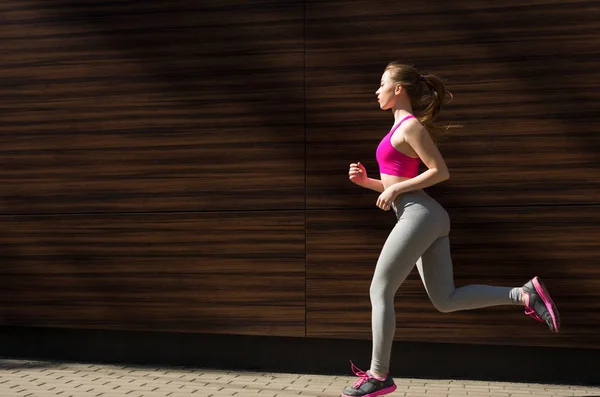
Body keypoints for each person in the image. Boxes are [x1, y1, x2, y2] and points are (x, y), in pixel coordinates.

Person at [341, 62, 560, 397]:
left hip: (420, 215)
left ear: (399, 89)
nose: (377, 90)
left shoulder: (410, 127)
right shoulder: (396, 129)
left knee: (379, 290)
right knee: (445, 299)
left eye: (382, 83)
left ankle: (379, 375)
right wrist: (368, 182)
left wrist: (395, 190)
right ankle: (524, 293)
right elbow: (396, 184)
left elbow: (440, 172)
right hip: (423, 215)